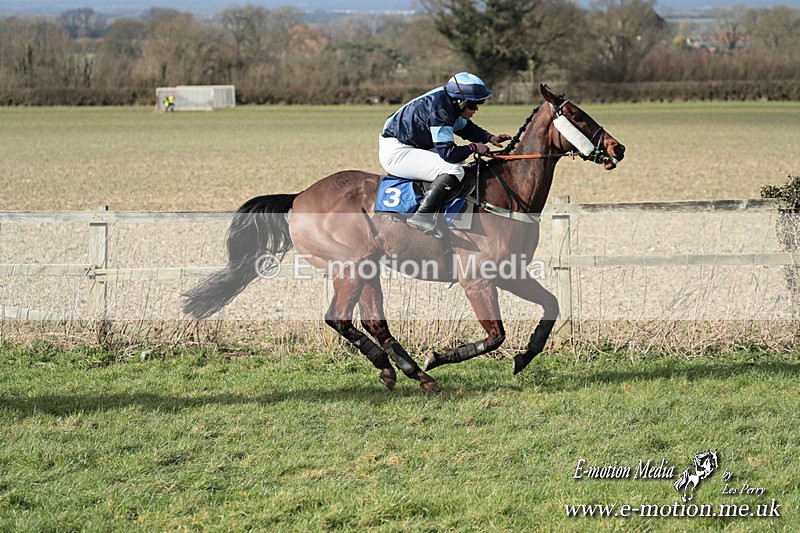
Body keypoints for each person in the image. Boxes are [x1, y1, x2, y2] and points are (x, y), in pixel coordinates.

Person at [379, 72, 512, 235]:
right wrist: (474, 148)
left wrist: (489, 138)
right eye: (473, 105)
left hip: (411, 145)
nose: (476, 109)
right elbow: (449, 153)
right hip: (397, 152)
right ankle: (423, 216)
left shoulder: (448, 101)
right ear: (460, 101)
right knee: (454, 169)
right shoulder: (441, 109)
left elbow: (465, 127)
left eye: (480, 103)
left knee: (460, 167)